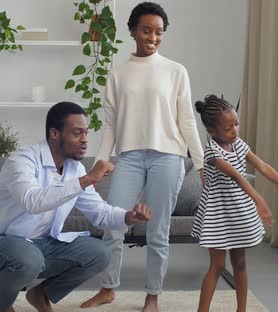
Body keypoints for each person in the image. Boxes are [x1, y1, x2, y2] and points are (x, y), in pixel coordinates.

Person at [81, 3, 205, 312]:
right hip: (130, 158)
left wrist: (201, 163)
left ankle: (153, 296)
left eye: (159, 32)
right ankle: (108, 288)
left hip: (168, 157)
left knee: (157, 231)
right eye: (147, 30)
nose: (153, 37)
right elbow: (110, 123)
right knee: (113, 224)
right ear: (133, 30)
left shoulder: (176, 71)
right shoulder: (118, 71)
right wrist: (100, 161)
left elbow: (187, 120)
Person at [0, 101, 153, 312]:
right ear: (55, 134)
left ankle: (41, 294)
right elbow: (33, 201)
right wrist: (86, 179)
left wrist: (128, 217)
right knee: (29, 259)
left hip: (42, 246)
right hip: (0, 246)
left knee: (101, 253)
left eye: (86, 133)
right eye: (77, 133)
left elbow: (100, 213)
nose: (85, 140)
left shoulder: (73, 168)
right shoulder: (22, 160)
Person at [191, 95, 278, 312]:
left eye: (236, 124)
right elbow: (236, 176)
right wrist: (258, 199)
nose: (234, 131)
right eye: (228, 128)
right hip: (218, 214)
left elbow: (262, 166)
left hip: (238, 211)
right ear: (211, 131)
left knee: (240, 264)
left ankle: (242, 309)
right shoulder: (212, 151)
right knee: (218, 266)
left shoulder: (238, 144)